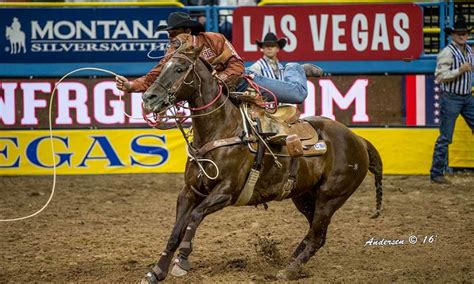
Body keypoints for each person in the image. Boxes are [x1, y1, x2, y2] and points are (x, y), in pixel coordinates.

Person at [115, 11, 322, 105]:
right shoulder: (173, 53)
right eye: (169, 34)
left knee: (297, 95)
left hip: (243, 85)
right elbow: (156, 76)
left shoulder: (214, 40)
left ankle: (296, 69)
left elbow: (237, 66)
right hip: (213, 98)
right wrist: (131, 86)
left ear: (188, 31)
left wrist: (217, 82)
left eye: (173, 33)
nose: (170, 38)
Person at [429, 17, 474, 184]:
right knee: (445, 137)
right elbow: (440, 77)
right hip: (452, 98)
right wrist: (459, 71)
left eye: (465, 33)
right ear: (453, 35)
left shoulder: (469, 50)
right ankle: (436, 172)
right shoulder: (447, 52)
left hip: (467, 96)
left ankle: (437, 172)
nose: (463, 36)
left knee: (445, 137)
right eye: (459, 33)